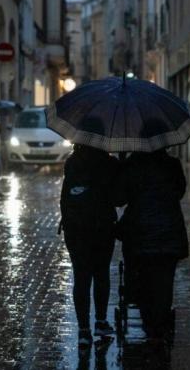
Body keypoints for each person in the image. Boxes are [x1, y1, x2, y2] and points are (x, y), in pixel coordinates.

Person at [116, 149, 188, 341]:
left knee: (143, 280)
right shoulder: (172, 164)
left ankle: (150, 325)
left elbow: (119, 198)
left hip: (139, 234)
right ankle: (159, 324)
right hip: (169, 233)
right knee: (165, 282)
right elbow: (180, 192)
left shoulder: (132, 164)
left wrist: (121, 165)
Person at [60, 144, 120, 348]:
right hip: (102, 228)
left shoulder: (72, 162)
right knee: (101, 274)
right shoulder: (110, 163)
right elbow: (120, 199)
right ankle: (101, 321)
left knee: (81, 277)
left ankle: (83, 330)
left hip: (76, 229)